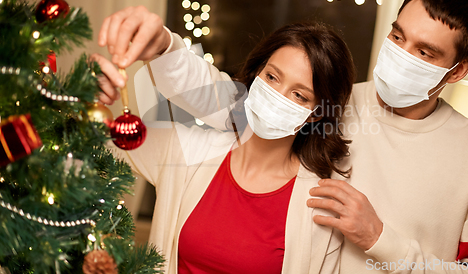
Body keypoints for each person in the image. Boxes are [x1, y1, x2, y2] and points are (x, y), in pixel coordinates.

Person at [97, 0, 468, 273]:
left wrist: (380, 239)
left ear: (458, 70)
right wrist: (165, 48)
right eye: (398, 36)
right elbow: (228, 102)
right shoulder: (330, 102)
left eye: (424, 51)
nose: (401, 54)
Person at [95, 22, 357, 273]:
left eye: (299, 95)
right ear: (257, 75)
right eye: (272, 77)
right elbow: (99, 144)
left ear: (314, 114)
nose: (278, 95)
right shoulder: (188, 150)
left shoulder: (317, 208)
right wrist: (88, 96)